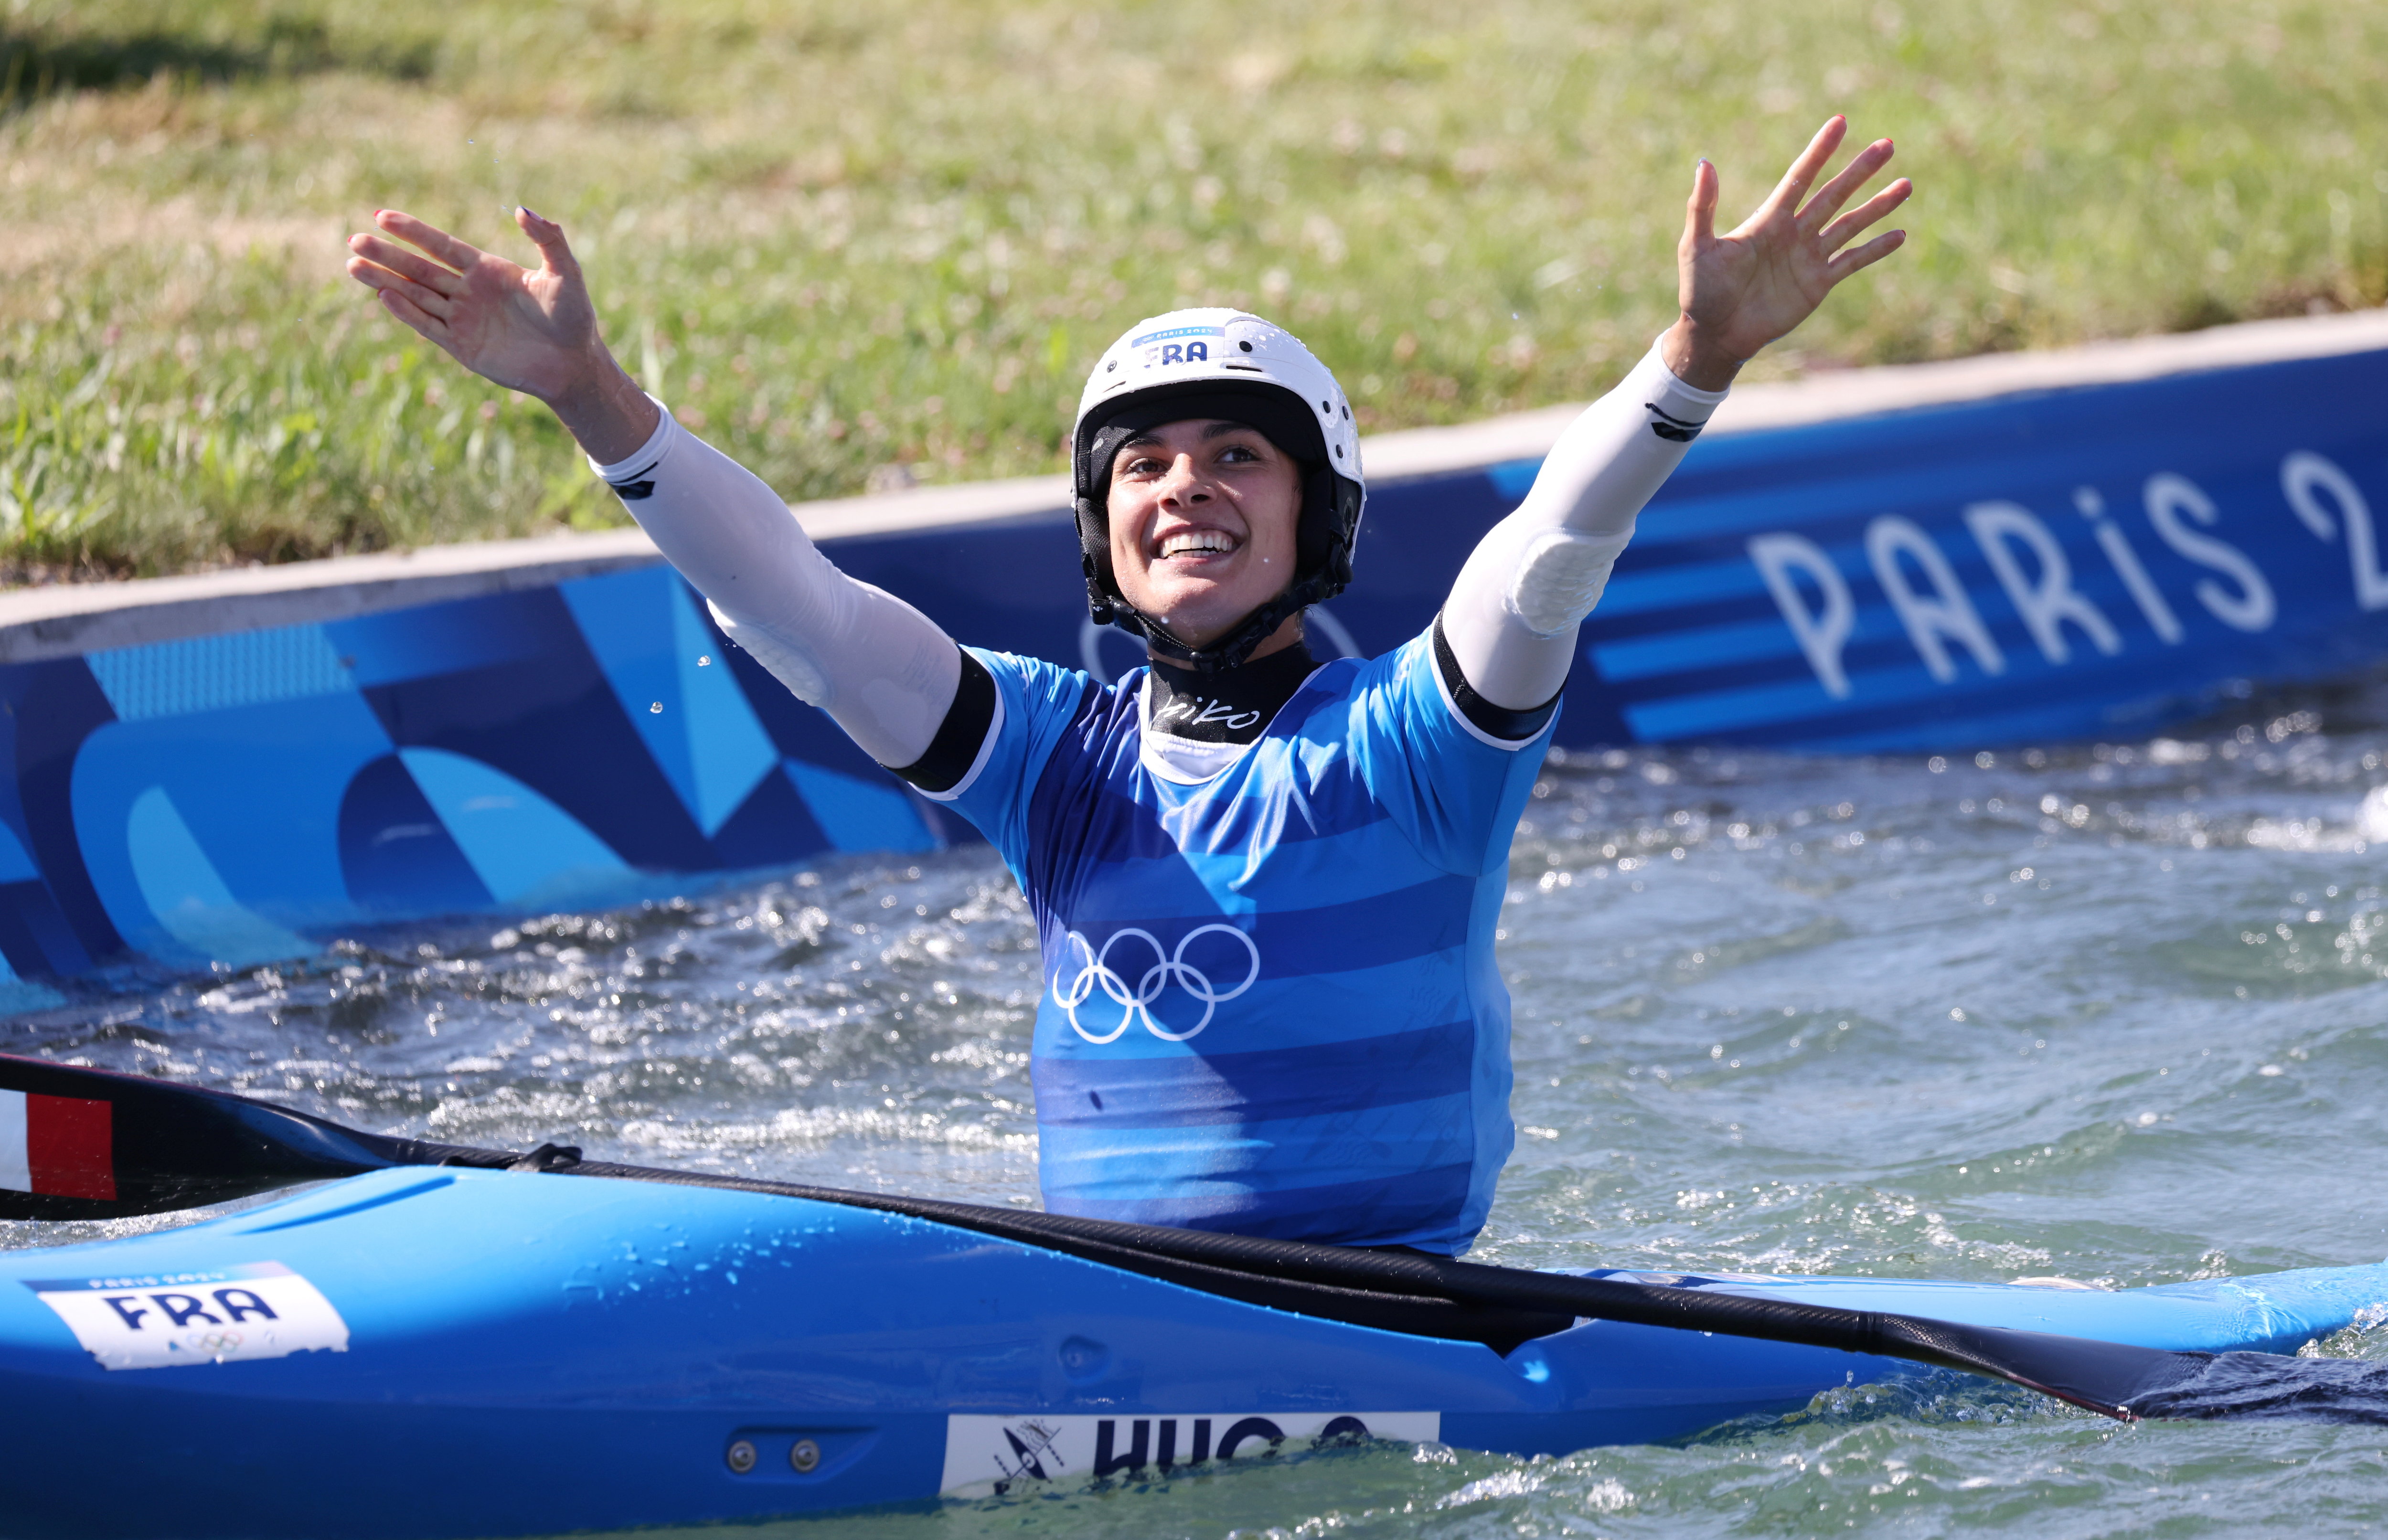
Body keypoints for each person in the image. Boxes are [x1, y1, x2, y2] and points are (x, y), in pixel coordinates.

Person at [345, 117, 1909, 1256]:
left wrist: (1693, 359)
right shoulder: (1052, 758)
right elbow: (801, 616)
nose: (1187, 489)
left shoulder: (1423, 746)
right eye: (1146, 465)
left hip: (1412, 1314)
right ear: (1104, 533)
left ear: (1319, 516)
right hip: (1107, 1315)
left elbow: (1547, 550)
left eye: (1240, 455)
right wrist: (591, 399)